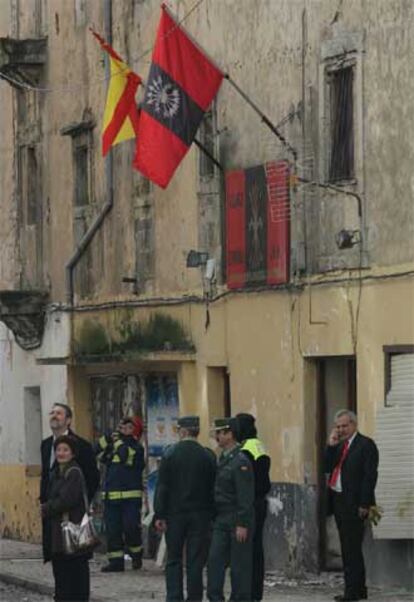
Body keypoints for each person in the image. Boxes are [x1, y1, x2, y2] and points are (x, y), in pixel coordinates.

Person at [154, 415, 216, 602]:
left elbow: (162, 486)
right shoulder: (208, 455)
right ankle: (195, 597)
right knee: (195, 561)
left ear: (182, 431)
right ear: (197, 431)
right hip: (201, 515)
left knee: (173, 558)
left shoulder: (170, 454)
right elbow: (214, 487)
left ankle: (174, 596)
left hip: (175, 515)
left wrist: (160, 513)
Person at [325, 409, 379, 602]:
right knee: (348, 548)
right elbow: (326, 467)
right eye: (338, 426)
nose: (341, 430)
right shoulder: (340, 446)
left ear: (354, 424)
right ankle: (358, 590)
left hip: (355, 504)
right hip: (339, 502)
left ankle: (352, 592)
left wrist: (365, 503)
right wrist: (331, 446)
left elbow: (369, 476)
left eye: (344, 426)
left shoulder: (365, 445)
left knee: (351, 549)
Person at [40, 403, 100, 562]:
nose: (54, 416)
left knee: (75, 564)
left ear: (68, 420)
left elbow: (92, 479)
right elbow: (46, 477)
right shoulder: (46, 445)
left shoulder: (82, 446)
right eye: (52, 412)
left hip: (74, 517)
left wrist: (78, 503)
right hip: (52, 517)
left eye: (59, 413)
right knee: (57, 563)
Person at [207, 418, 255, 602]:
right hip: (221, 518)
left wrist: (242, 523)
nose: (217, 437)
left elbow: (245, 496)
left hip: (237, 518)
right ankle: (215, 597)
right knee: (215, 561)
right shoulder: (224, 457)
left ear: (230, 434)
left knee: (239, 567)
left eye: (220, 433)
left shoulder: (240, 461)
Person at [41, 435, 91, 601]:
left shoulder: (73, 472)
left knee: (75, 581)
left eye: (65, 450)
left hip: (73, 535)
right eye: (58, 450)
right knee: (62, 580)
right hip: (59, 537)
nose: (61, 453)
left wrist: (46, 508)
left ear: (72, 453)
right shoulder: (56, 472)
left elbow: (66, 500)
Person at [96, 416, 145, 572]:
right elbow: (96, 450)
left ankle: (136, 554)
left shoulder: (137, 448)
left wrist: (117, 442)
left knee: (131, 528)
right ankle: (116, 562)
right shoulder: (114, 443)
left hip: (130, 498)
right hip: (111, 496)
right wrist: (108, 437)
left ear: (135, 431)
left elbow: (125, 457)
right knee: (113, 530)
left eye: (128, 427)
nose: (124, 429)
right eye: (122, 426)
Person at [234, 413, 271, 602]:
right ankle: (255, 593)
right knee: (257, 550)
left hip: (250, 503)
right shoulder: (258, 445)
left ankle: (248, 592)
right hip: (260, 502)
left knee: (248, 551)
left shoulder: (245, 449)